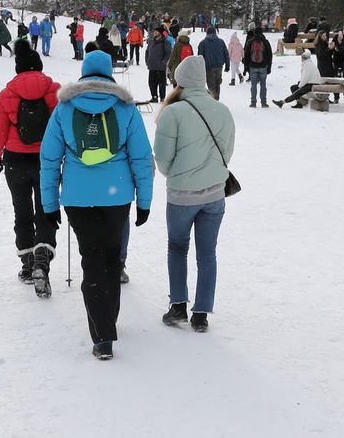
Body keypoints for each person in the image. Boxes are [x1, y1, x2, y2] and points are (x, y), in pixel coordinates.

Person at [40, 50, 154, 360]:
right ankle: (108, 320)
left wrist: (49, 204)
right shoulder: (126, 109)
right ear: (109, 75)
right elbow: (142, 158)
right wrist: (144, 201)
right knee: (112, 258)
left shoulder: (64, 108)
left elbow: (50, 160)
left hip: (77, 197)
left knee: (91, 258)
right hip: (117, 197)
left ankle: (102, 335)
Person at [153, 56, 234, 333]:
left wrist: (178, 174)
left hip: (181, 196)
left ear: (180, 81)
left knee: (177, 247)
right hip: (214, 195)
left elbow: (162, 160)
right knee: (207, 253)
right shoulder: (222, 110)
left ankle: (178, 306)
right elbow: (228, 153)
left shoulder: (172, 113)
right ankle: (201, 314)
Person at [0, 41, 60, 292]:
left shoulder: (7, 93)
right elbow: (61, 126)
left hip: (15, 161)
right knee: (46, 209)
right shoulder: (54, 91)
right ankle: (43, 257)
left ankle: (28, 262)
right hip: (46, 160)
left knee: (22, 211)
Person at [195, 27, 229, 99]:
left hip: (208, 67)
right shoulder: (221, 42)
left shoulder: (203, 43)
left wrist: (199, 68)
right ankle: (216, 99)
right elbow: (226, 54)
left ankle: (214, 100)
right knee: (217, 83)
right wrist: (227, 65)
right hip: (219, 66)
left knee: (211, 84)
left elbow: (200, 57)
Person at [243, 28, 272, 108]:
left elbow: (246, 55)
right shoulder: (265, 42)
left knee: (253, 85)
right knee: (263, 85)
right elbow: (270, 55)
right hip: (263, 66)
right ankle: (263, 102)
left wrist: (246, 67)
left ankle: (253, 102)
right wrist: (269, 67)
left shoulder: (250, 41)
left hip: (253, 66)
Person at [145, 25, 172, 102]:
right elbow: (147, 52)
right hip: (152, 66)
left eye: (156, 31)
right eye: (154, 31)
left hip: (160, 67)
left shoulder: (165, 42)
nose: (155, 32)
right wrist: (147, 60)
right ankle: (154, 97)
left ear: (160, 33)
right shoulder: (151, 41)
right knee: (151, 83)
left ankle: (162, 97)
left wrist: (164, 62)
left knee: (161, 83)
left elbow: (168, 53)